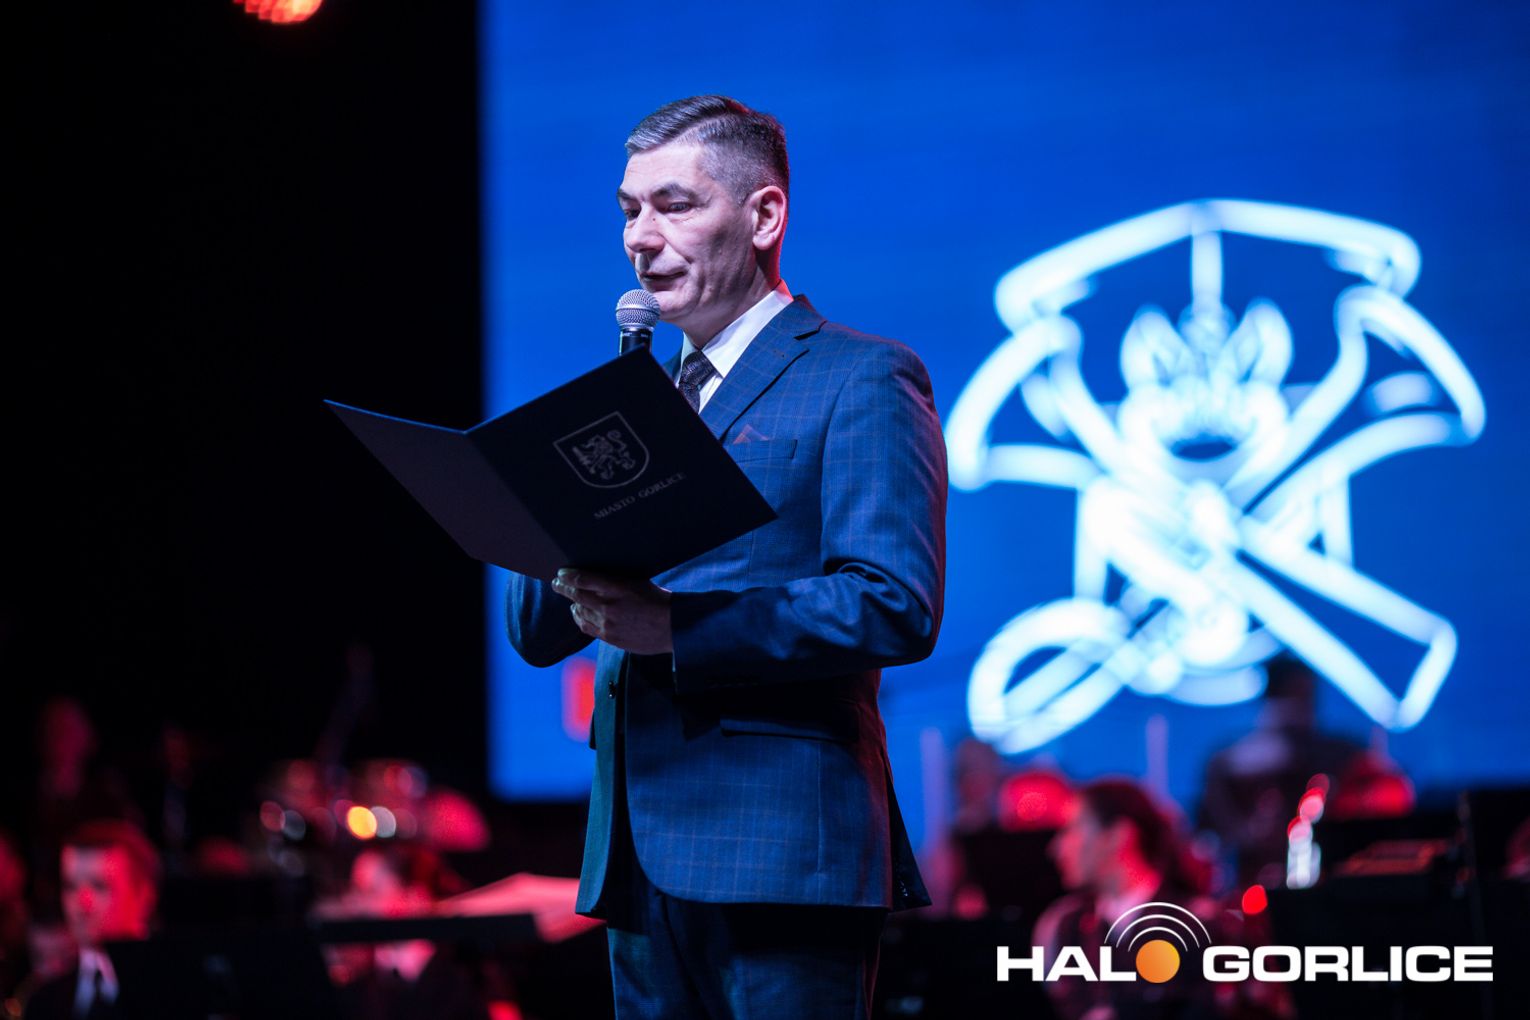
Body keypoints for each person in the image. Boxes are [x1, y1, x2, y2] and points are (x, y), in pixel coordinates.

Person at [506, 94, 946, 1019]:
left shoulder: (860, 375)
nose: (641, 237)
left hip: (782, 852)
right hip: (635, 856)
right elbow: (537, 634)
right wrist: (547, 500)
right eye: (630, 210)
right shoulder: (633, 398)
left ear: (764, 217)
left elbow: (891, 602)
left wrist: (676, 628)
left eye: (674, 205)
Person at [1034, 779, 1219, 1020]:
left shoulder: (1197, 925)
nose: (1057, 848)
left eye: (1072, 830)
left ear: (1118, 836)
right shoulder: (1063, 927)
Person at [23, 821, 159, 1020]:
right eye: (70, 886)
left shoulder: (177, 992)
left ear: (143, 895)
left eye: (99, 886)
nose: (82, 903)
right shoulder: (42, 1001)